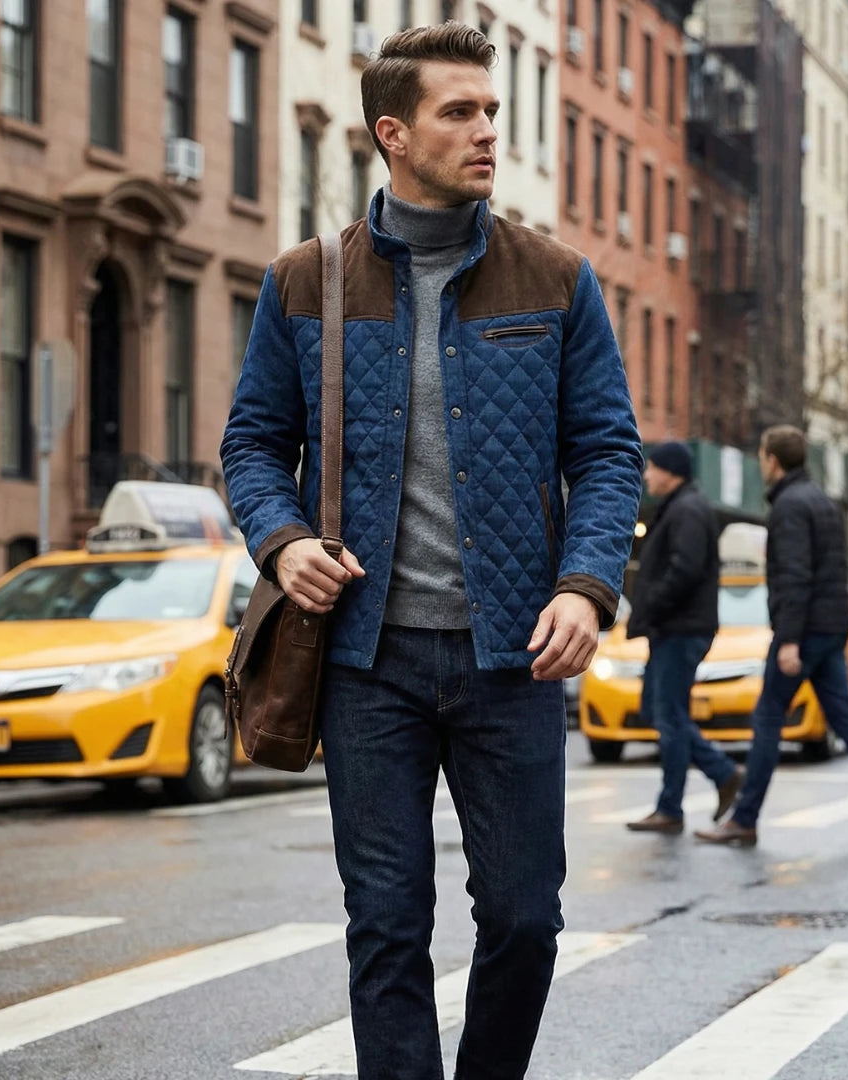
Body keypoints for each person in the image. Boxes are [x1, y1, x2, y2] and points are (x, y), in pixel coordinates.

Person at [220, 23, 643, 1080]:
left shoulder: (556, 279)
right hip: (368, 664)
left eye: (493, 109)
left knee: (523, 923)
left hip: (514, 659)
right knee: (387, 927)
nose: (488, 129)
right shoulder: (303, 284)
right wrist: (279, 544)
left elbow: (606, 453)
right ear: (393, 134)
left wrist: (587, 588)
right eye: (461, 112)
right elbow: (252, 445)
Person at [695, 425, 848, 848]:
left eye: (762, 456)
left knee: (768, 718)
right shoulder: (823, 502)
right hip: (830, 628)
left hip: (805, 631)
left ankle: (744, 818)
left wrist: (790, 640)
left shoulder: (790, 506)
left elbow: (795, 577)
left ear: (772, 460)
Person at [624, 442, 743, 834]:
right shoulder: (680, 507)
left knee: (669, 716)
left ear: (671, 470)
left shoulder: (688, 509)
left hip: (680, 627)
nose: (647, 475)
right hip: (671, 628)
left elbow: (684, 571)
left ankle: (671, 807)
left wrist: (652, 606)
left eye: (652, 467)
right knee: (658, 710)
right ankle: (723, 774)